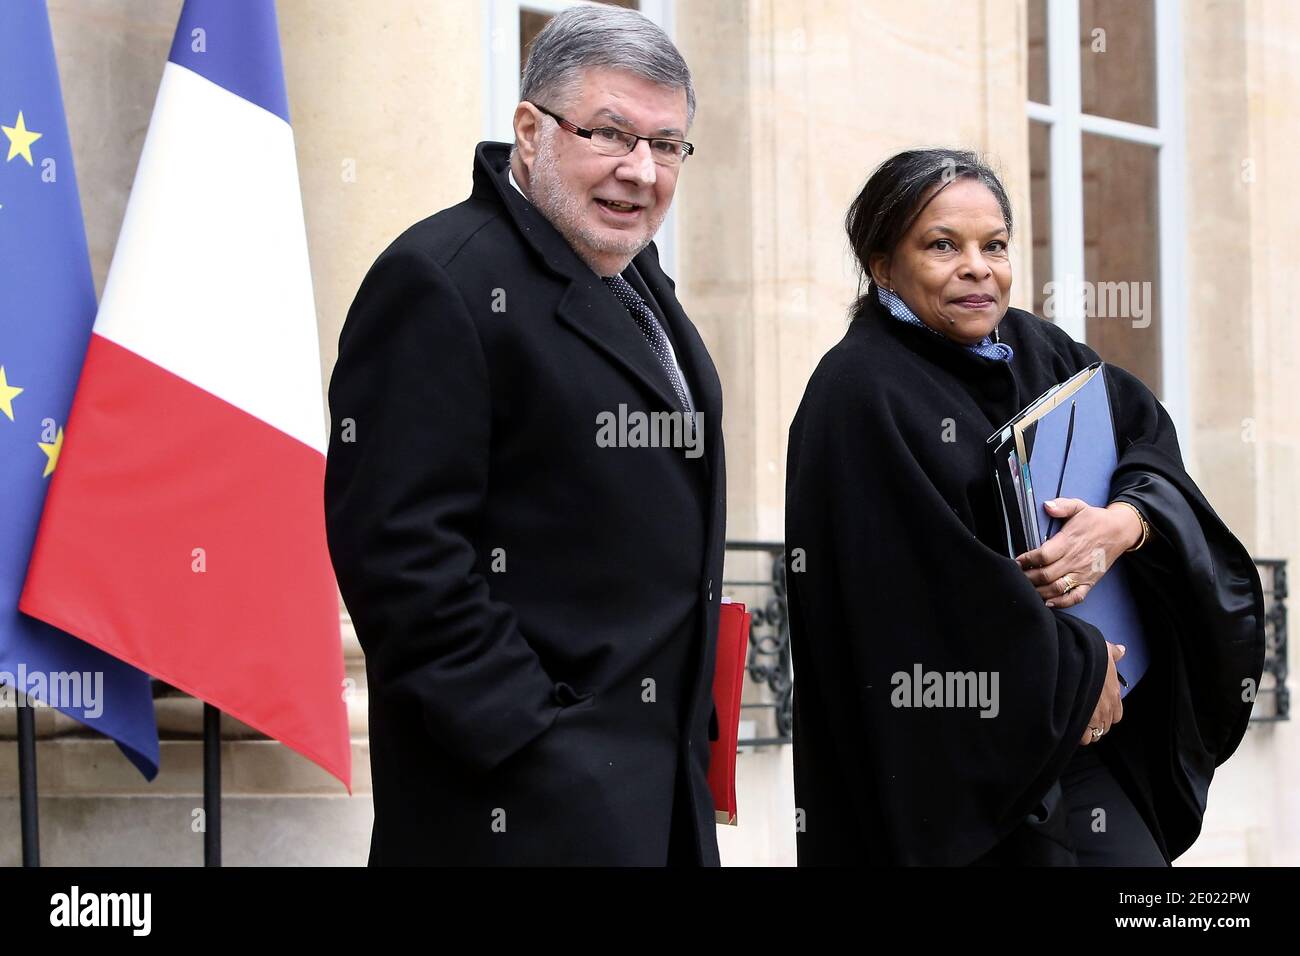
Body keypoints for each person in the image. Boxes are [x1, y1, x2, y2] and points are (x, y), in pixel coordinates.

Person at [324, 5, 725, 865]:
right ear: (529, 131)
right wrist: (540, 745)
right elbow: (400, 554)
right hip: (516, 812)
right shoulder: (439, 280)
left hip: (658, 798)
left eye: (667, 145)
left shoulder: (634, 275)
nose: (641, 171)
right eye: (611, 133)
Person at [785, 148, 1266, 866]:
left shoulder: (1038, 349)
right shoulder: (858, 394)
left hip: (1088, 738)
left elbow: (1146, 441)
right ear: (883, 264)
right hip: (963, 781)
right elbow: (914, 600)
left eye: (996, 245)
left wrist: (1128, 523)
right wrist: (1074, 670)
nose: (978, 267)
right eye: (943, 245)